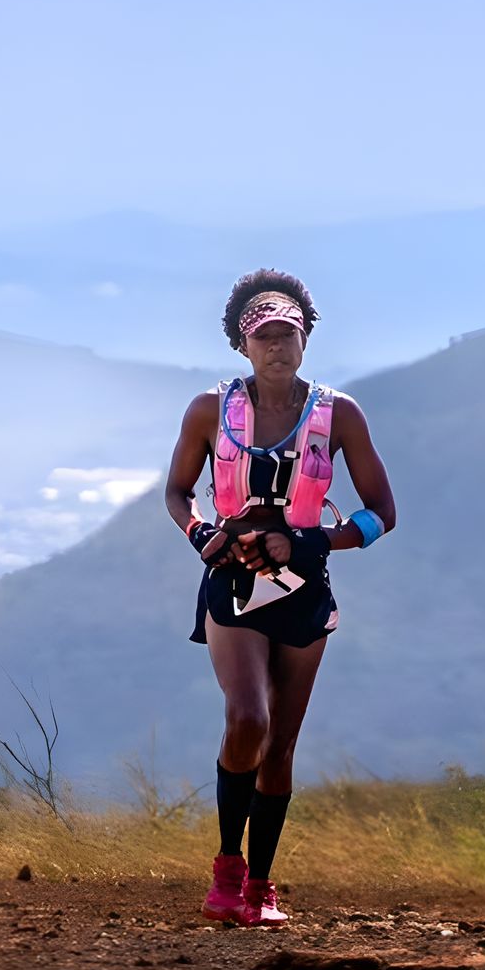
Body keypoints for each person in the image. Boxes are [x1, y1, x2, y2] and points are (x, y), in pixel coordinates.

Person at [163, 270, 397, 927]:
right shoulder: (211, 411)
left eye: (288, 335)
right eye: (264, 335)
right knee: (248, 721)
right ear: (243, 344)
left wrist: (318, 541)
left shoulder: (338, 415)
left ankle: (262, 886)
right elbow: (177, 493)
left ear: (306, 340)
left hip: (303, 586)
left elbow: (383, 513)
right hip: (233, 577)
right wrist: (201, 533)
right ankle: (226, 869)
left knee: (282, 745)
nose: (276, 347)